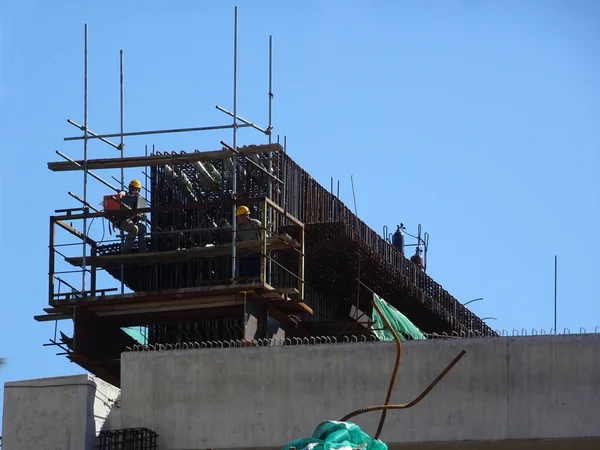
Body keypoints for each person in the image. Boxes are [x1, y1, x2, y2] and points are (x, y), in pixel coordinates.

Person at [116, 180, 147, 253]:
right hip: (123, 220)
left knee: (142, 228)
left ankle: (143, 250)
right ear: (131, 188)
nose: (138, 192)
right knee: (134, 229)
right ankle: (126, 251)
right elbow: (121, 196)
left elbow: (143, 214)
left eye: (138, 190)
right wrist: (121, 193)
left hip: (132, 220)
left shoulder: (139, 200)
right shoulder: (125, 196)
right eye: (136, 189)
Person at [235, 205, 262, 279]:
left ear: (244, 216)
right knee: (245, 276)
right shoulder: (238, 227)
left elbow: (264, 236)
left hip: (256, 254)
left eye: (238, 217)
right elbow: (237, 240)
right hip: (245, 255)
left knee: (256, 275)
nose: (237, 219)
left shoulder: (255, 224)